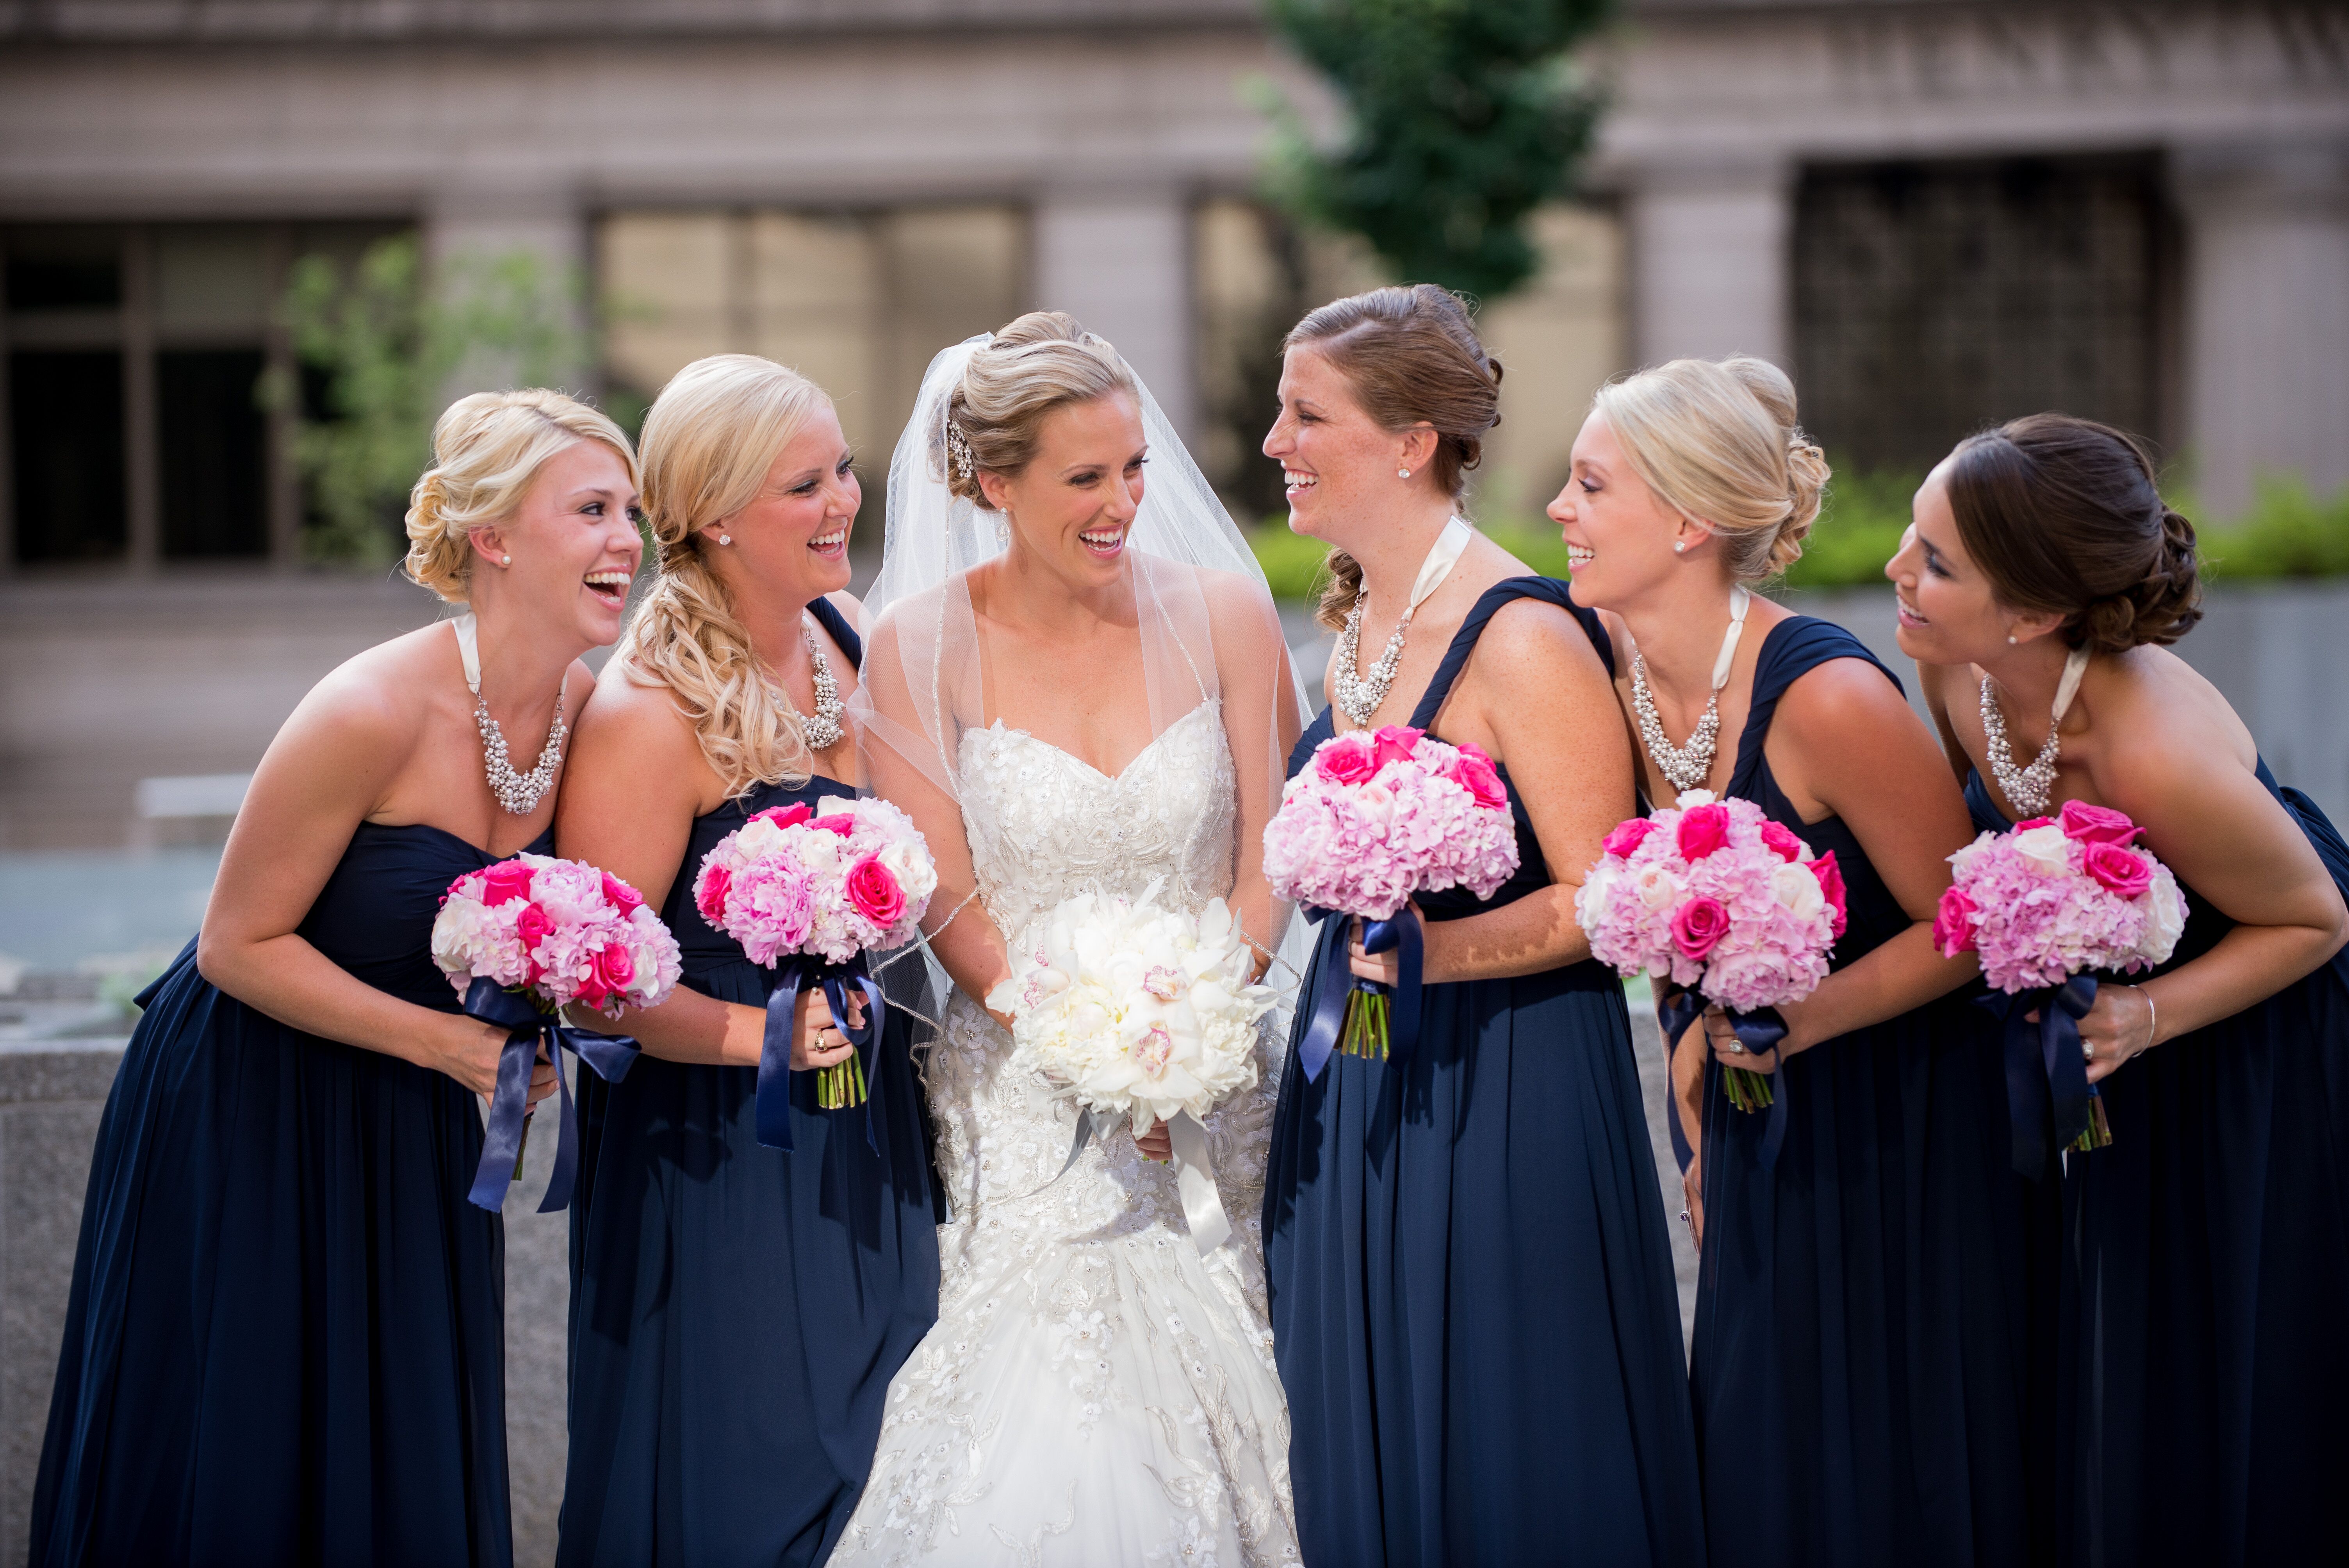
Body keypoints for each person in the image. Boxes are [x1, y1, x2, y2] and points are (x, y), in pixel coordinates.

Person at [32, 390, 641, 1567]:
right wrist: (453, 1048)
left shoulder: (584, 708)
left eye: (630, 512)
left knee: (401, 1410)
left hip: (409, 1112)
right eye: (592, 509)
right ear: (494, 538)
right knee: (252, 1422)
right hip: (253, 1094)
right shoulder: (367, 709)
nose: (626, 540)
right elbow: (234, 945)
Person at [1557, 357, 2062, 1566]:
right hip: (1759, 1104)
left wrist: (1804, 1026)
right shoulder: (1610, 666)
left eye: (1589, 485)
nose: (1561, 511)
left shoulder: (1831, 697)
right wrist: (1690, 1049)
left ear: (1688, 522)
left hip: (1910, 1121)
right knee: (1762, 1436)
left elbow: (1972, 925)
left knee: (1899, 1454)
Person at [829, 312, 1307, 1565]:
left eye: (1137, 467)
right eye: (1085, 478)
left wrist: (1194, 1035)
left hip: (1222, 1065)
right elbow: (946, 901)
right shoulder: (916, 643)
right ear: (995, 483)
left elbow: (1276, 850)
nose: (1124, 503)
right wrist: (1094, 1056)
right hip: (1029, 1080)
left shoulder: (1225, 614)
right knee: (1055, 1393)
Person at [1261, 285, 1704, 1568]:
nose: (1278, 442)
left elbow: (1601, 898)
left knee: (1506, 1428)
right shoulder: (1352, 627)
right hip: (1359, 1070)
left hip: (1499, 1086)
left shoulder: (1522, 636)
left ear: (1409, 442)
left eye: (1307, 415)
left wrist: (1433, 953)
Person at [1889, 413, 2349, 1564]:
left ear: (2037, 615)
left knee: (2196, 1328)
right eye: (1913, 532)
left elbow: (2314, 920)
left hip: (2253, 1013)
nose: (1899, 569)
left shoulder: (2152, 755)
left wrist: (2144, 1017)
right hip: (2097, 1014)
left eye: (1937, 561)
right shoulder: (1949, 659)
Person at [551, 355, 940, 1566]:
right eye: (804, 486)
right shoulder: (645, 711)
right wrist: (750, 1036)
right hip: (717, 1147)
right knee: (755, 1457)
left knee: (888, 1433)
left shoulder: (848, 634)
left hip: (864, 1118)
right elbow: (595, 976)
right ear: (715, 515)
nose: (843, 503)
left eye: (842, 471)